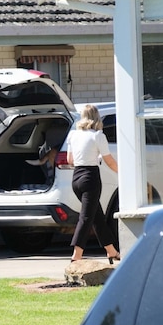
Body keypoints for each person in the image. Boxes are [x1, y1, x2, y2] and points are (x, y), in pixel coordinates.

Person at [65, 104, 120, 264]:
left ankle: (111, 251)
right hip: (91, 178)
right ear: (97, 117)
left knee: (97, 217)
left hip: (76, 179)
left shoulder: (73, 135)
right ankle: (76, 256)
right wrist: (123, 173)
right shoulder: (98, 135)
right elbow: (109, 161)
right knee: (87, 217)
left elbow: (70, 161)